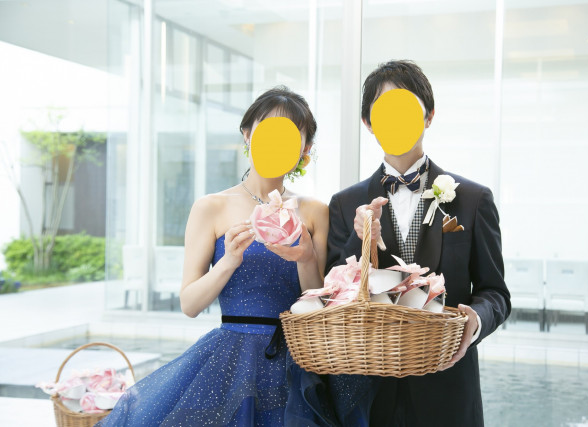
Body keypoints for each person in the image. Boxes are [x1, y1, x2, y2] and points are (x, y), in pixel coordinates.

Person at [97, 86, 328, 426]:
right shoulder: (211, 207)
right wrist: (229, 260)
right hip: (229, 360)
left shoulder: (314, 211)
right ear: (247, 134)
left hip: (297, 361)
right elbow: (189, 304)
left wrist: (306, 257)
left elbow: (319, 309)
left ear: (304, 150)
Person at [326, 60, 511, 426]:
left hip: (448, 391)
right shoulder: (345, 204)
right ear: (368, 123)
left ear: (429, 116)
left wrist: (474, 320)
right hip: (369, 393)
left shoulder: (473, 200)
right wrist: (360, 242)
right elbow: (332, 294)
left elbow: (495, 293)